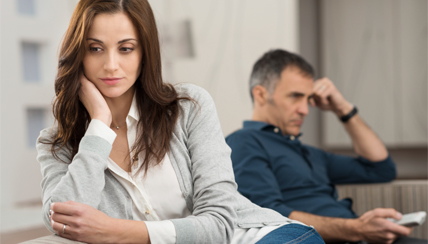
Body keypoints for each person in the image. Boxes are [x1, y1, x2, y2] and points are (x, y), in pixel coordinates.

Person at [33, 1, 325, 244]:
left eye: (126, 48)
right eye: (95, 48)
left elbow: (220, 223)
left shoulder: (188, 106)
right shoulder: (55, 143)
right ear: (78, 54)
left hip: (262, 237)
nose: (111, 65)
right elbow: (62, 220)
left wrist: (114, 231)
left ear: (145, 53)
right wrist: (99, 123)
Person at [226, 49, 425, 244]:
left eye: (308, 98)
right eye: (295, 96)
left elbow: (381, 169)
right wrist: (358, 229)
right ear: (261, 95)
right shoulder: (244, 142)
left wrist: (342, 108)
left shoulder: (310, 153)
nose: (305, 110)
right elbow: (269, 217)